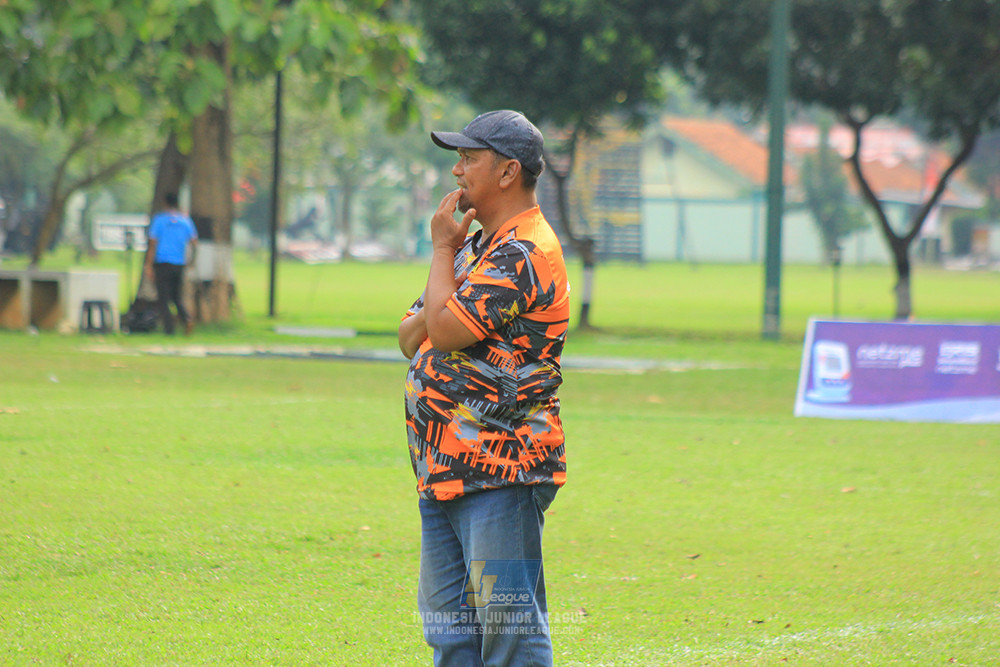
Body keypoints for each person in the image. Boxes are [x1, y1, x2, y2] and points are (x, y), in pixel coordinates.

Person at [398, 110, 570, 667]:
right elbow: (408, 333)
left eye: (469, 159)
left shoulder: (525, 250)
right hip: (446, 468)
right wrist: (450, 257)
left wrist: (443, 252)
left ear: (507, 172)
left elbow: (441, 328)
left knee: (509, 637)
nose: (457, 171)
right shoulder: (480, 247)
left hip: (501, 470)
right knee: (451, 638)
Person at [144, 192, 198, 335]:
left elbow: (153, 244)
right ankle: (186, 318)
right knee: (176, 296)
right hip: (179, 264)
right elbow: (194, 242)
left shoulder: (160, 220)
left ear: (165, 203)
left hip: (162, 263)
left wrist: (148, 265)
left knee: (163, 298)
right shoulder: (185, 221)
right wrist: (192, 260)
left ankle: (169, 329)